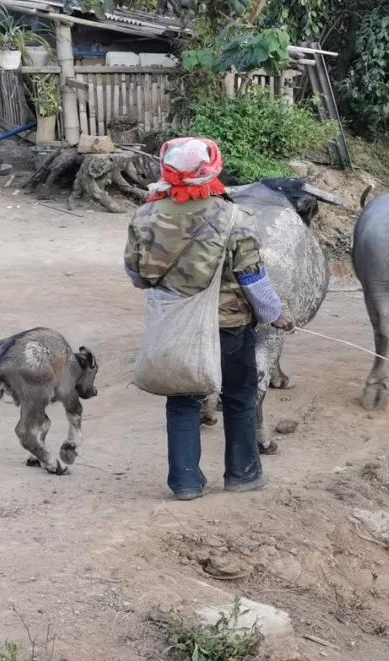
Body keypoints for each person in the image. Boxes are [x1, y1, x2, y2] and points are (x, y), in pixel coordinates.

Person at [124, 137, 294, 501]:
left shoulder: (145, 216)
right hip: (230, 327)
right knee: (239, 396)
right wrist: (275, 314)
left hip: (174, 326)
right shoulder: (234, 217)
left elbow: (138, 276)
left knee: (183, 398)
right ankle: (243, 473)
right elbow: (252, 277)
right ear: (211, 171)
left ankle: (185, 483)